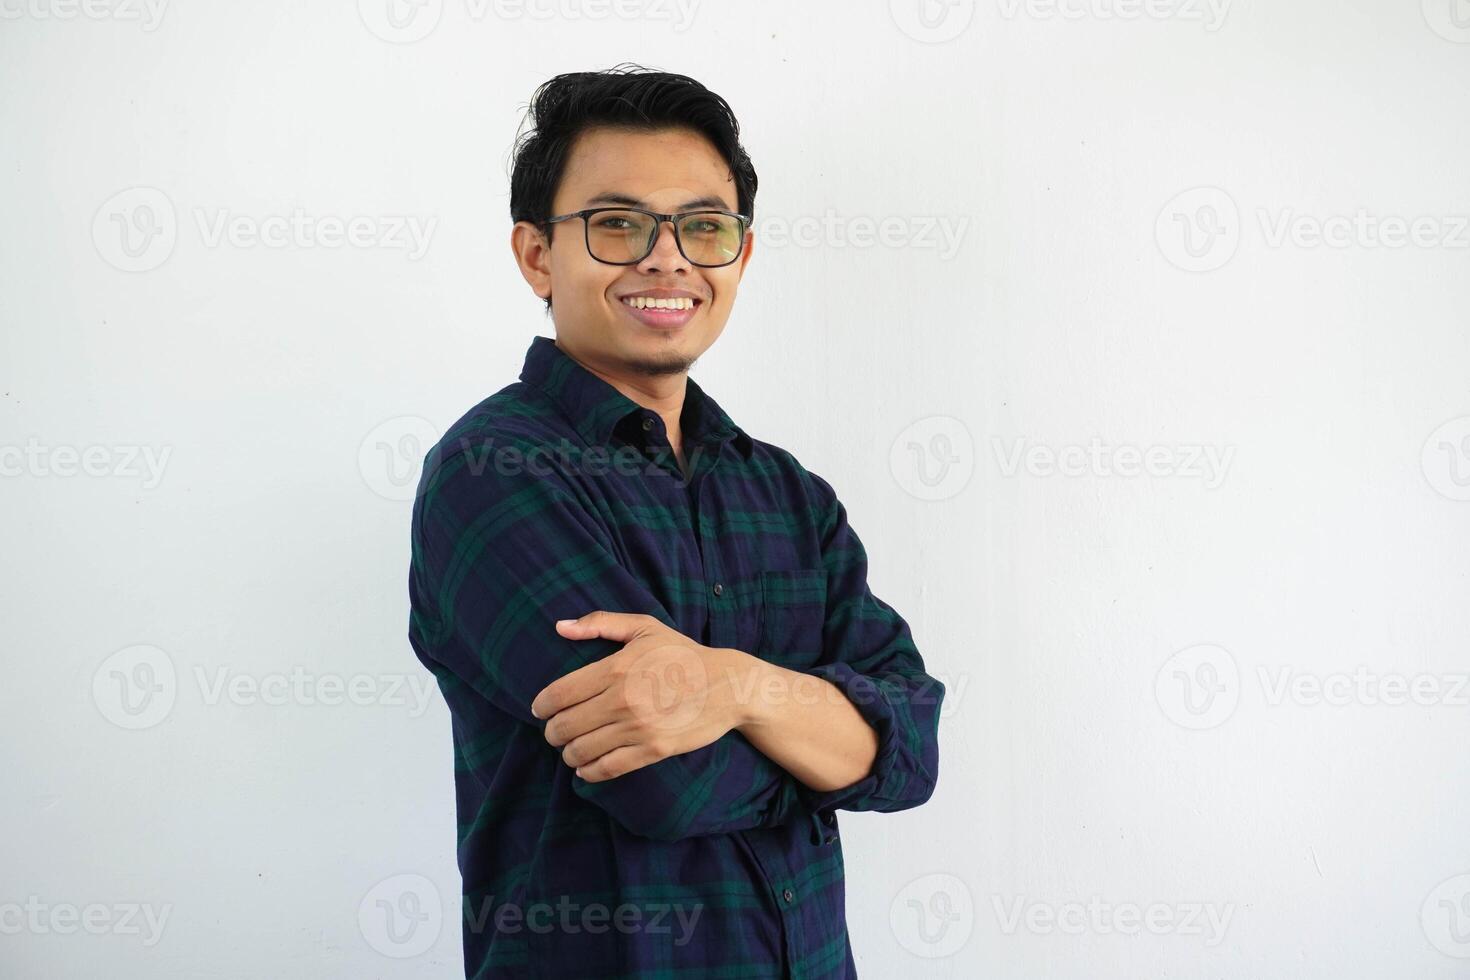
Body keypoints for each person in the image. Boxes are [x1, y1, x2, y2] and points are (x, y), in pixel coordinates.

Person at [407, 64, 944, 979]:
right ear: (538, 254)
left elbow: (913, 751)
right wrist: (826, 736)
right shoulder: (493, 473)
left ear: (740, 252)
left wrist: (734, 687)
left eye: (704, 227)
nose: (668, 259)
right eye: (617, 225)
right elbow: (666, 783)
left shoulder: (787, 492)